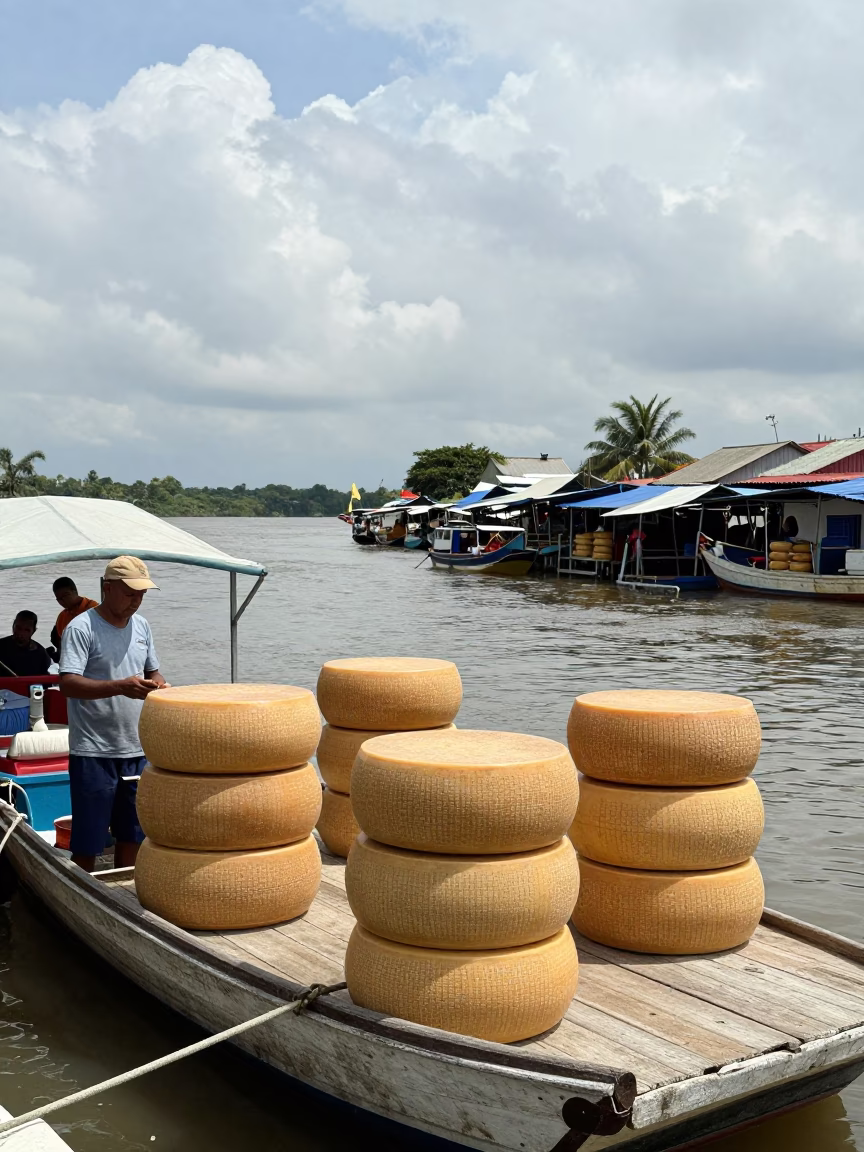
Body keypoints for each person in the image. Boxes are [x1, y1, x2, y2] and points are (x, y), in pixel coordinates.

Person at [59, 556, 170, 873]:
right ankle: (82, 892)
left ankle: (128, 888)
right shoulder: (81, 627)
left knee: (133, 833)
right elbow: (68, 683)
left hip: (137, 748)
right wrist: (119, 687)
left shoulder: (142, 626)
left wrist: (159, 686)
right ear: (107, 589)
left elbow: (153, 671)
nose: (137, 600)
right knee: (89, 838)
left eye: (141, 595)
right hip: (93, 750)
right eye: (130, 593)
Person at [50, 577, 99, 657]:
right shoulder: (62, 617)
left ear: (75, 591)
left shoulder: (93, 609)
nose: (63, 601)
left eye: (65, 595)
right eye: (59, 599)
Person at [0, 611, 51, 677]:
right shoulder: (1, 646)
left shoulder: (41, 654)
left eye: (27, 630)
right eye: (18, 628)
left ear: (34, 630)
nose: (21, 633)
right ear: (13, 625)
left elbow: (44, 680)